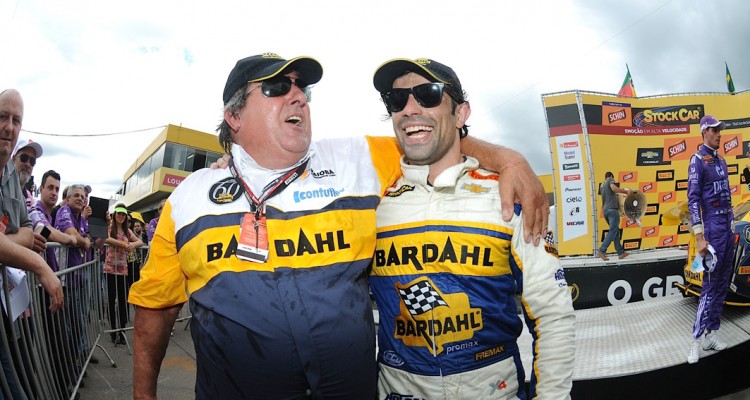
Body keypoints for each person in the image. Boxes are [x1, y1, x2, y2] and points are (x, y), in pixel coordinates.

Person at [128, 53, 549, 400]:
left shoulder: (356, 160)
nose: (298, 97)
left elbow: (432, 137)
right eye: (277, 87)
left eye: (303, 89)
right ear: (234, 116)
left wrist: (510, 160)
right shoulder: (189, 198)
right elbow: (155, 308)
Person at [369, 57, 575, 399]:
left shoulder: (509, 195)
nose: (409, 109)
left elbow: (552, 314)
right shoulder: (370, 199)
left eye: (427, 95)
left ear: (461, 114)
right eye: (397, 99)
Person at [0, 89, 63, 399]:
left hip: (10, 305)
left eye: (16, 120)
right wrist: (39, 264)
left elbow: (29, 229)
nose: (9, 127)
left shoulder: (10, 176)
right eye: (3, 117)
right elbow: (37, 232)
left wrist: (11, 242)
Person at [686, 115, 733, 364]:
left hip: (727, 226)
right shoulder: (697, 160)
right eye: (715, 131)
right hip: (712, 229)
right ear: (704, 132)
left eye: (720, 131)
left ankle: (710, 335)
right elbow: (693, 200)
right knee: (709, 286)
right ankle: (695, 341)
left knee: (722, 284)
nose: (719, 134)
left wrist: (731, 224)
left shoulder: (722, 161)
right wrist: (699, 237)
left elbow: (728, 197)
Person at [103, 204, 143, 344]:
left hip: (123, 271)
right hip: (110, 270)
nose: (121, 216)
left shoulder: (128, 231)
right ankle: (113, 330)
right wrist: (123, 244)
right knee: (111, 300)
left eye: (123, 214)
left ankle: (122, 331)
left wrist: (132, 245)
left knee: (122, 301)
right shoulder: (110, 228)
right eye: (119, 213)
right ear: (115, 215)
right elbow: (105, 238)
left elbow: (141, 242)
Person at [597, 171, 633, 261]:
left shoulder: (602, 185)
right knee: (613, 230)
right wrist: (626, 192)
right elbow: (614, 188)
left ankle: (621, 253)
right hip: (612, 210)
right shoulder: (610, 180)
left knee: (615, 232)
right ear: (611, 176)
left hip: (605, 211)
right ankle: (602, 251)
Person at [11, 138, 42, 209]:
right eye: (24, 158)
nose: (28, 164)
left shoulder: (30, 200)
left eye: (32, 161)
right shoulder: (2, 188)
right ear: (13, 159)